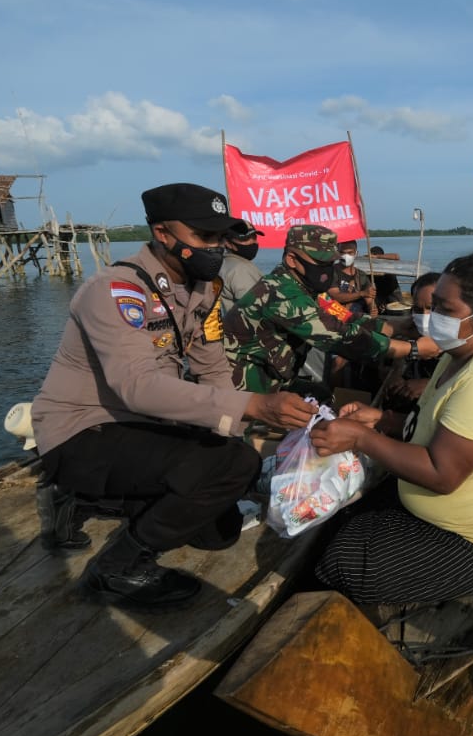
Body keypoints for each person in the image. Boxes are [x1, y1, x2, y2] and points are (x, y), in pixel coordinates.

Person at [30, 183, 319, 612]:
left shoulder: (203, 289)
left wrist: (233, 434)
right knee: (233, 467)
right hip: (82, 433)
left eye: (221, 237)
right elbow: (137, 387)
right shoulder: (116, 291)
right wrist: (253, 407)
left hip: (143, 427)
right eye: (204, 237)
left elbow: (212, 367)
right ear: (163, 234)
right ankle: (115, 567)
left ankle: (81, 499)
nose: (217, 247)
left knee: (218, 528)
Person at [309, 253, 473, 604]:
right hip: (442, 513)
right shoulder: (456, 359)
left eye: (445, 310)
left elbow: (442, 474)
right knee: (342, 516)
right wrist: (380, 420)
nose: (432, 318)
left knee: (343, 564)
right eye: (432, 307)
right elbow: (431, 424)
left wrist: (362, 437)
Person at [222, 225, 429, 398]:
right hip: (244, 387)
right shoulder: (283, 294)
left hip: (274, 379)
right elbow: (342, 338)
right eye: (320, 263)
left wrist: (396, 326)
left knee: (321, 397)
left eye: (331, 263)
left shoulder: (307, 290)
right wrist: (412, 349)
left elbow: (345, 318)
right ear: (292, 260)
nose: (327, 271)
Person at [385, 271, 442, 410]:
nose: (424, 316)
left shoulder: (462, 344)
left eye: (431, 308)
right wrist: (397, 375)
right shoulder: (412, 333)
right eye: (418, 309)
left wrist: (430, 385)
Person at [219, 220, 265, 314]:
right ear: (227, 242)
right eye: (245, 239)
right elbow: (255, 308)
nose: (252, 242)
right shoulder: (241, 268)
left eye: (254, 237)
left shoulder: (223, 262)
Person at [328, 239, 377, 316]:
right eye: (342, 252)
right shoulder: (331, 272)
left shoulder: (361, 275)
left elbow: (370, 300)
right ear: (337, 253)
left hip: (358, 318)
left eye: (350, 252)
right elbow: (335, 296)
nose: (346, 256)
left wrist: (372, 309)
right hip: (336, 318)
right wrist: (362, 293)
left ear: (356, 253)